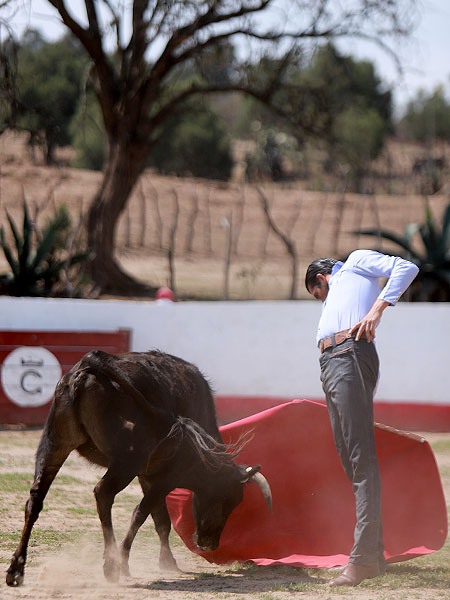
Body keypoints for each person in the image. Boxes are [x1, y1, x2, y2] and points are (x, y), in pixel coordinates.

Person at [305, 249, 419, 587]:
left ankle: (363, 559)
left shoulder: (354, 263)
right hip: (334, 363)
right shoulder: (343, 285)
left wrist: (376, 311)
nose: (321, 301)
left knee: (360, 458)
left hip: (349, 354)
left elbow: (407, 267)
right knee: (351, 460)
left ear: (320, 279)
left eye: (318, 295)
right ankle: (373, 554)